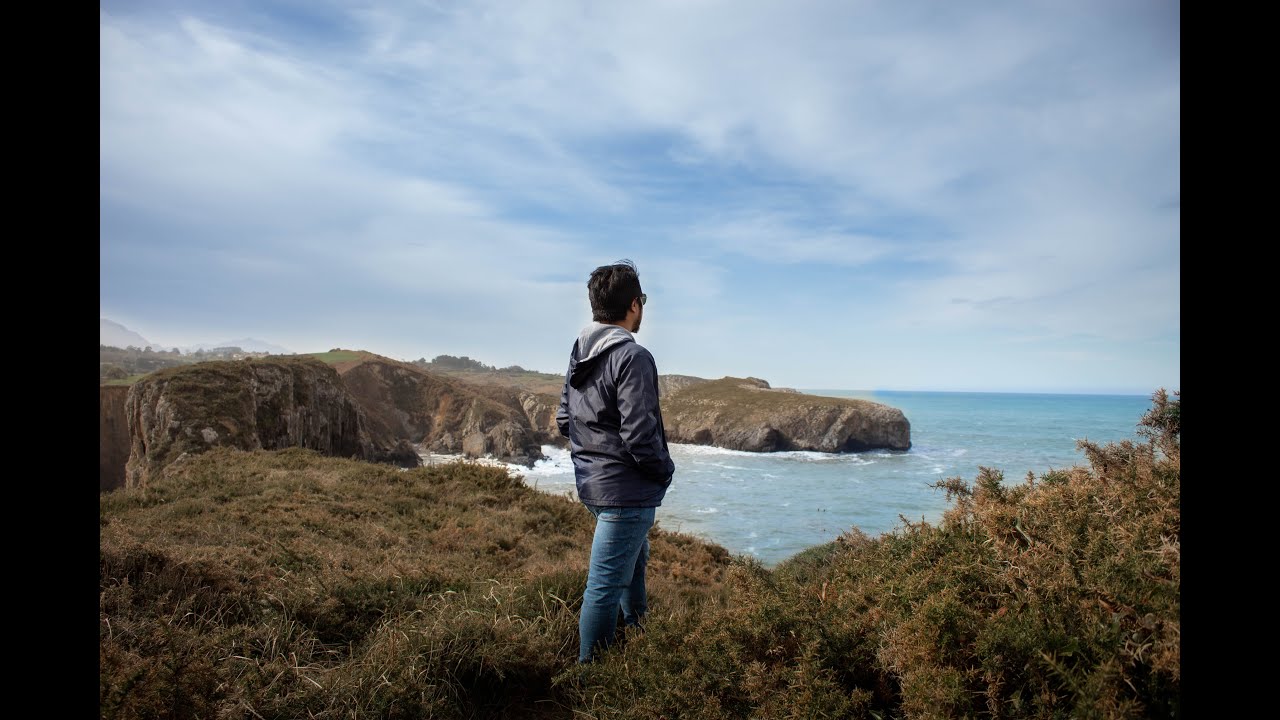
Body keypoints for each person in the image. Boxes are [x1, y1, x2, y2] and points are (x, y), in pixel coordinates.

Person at [557, 259, 675, 664]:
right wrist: (665, 472)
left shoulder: (581, 351)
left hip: (593, 486)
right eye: (642, 299)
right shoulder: (632, 356)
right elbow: (640, 434)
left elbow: (563, 418)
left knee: (633, 562)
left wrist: (593, 451)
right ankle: (593, 678)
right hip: (626, 492)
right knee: (604, 586)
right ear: (634, 306)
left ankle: (638, 635)